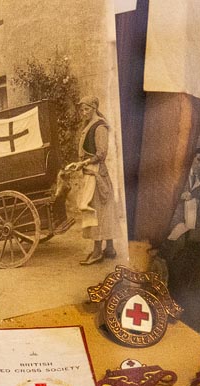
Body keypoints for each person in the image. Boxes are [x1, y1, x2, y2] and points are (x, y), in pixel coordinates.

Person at [74, 96, 119, 265]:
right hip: (92, 172)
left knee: (98, 211)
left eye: (86, 109)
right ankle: (110, 249)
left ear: (94, 108)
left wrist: (84, 162)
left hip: (98, 174)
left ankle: (98, 251)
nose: (83, 112)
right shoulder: (89, 126)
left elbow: (101, 154)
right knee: (104, 210)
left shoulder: (100, 127)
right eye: (82, 109)